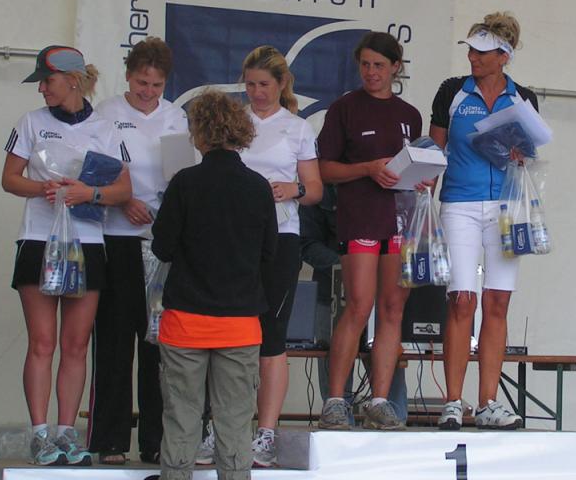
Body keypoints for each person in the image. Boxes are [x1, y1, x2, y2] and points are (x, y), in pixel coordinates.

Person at [1, 46, 131, 465]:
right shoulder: (31, 122)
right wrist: (44, 188)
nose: (42, 89)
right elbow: (10, 178)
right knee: (43, 341)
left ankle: (66, 432)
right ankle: (40, 432)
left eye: (48, 81)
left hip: (87, 242)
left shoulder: (105, 127)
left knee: (76, 344)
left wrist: (88, 193)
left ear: (73, 80)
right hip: (39, 238)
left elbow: (123, 190)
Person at [152, 90, 277, 480]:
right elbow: (269, 253)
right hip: (240, 324)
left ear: (198, 133)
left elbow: (161, 247)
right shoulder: (258, 186)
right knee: (236, 422)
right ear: (240, 130)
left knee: (181, 418)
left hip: (185, 322)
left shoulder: (184, 183)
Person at [429, 12, 538, 430]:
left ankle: (488, 402)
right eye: (471, 50)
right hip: (459, 202)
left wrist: (522, 155)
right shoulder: (452, 91)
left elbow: (530, 152)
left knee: (498, 301)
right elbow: (434, 148)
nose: (473, 57)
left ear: (503, 56)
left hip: (506, 207)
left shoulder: (522, 97)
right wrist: (420, 180)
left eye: (482, 52)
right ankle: (453, 401)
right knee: (462, 299)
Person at [316, 31, 423, 431]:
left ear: (396, 67)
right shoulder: (344, 108)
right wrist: (367, 169)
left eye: (379, 65)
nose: (372, 72)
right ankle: (335, 401)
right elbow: (325, 170)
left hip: (400, 220)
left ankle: (379, 400)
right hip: (360, 217)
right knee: (359, 305)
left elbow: (415, 165)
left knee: (393, 309)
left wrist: (423, 176)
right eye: (365, 65)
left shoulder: (410, 114)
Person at [88, 37, 188, 465]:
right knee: (113, 339)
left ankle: (154, 440)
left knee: (157, 342)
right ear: (128, 76)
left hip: (159, 243)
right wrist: (123, 201)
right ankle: (110, 440)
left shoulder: (176, 117)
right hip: (115, 235)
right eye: (141, 83)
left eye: (156, 85)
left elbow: (182, 178)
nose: (148, 92)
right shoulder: (106, 113)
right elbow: (93, 173)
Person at [233, 45, 322, 466]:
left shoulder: (297, 128)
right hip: (234, 237)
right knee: (230, 331)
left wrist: (294, 189)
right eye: (250, 85)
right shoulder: (234, 121)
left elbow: (315, 189)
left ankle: (265, 433)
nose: (257, 92)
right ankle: (226, 426)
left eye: (264, 85)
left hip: (281, 235)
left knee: (271, 331)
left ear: (282, 83)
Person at [299, 184, 409, 425]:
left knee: (392, 379)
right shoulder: (325, 183)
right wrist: (351, 267)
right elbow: (305, 242)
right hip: (331, 292)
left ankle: (387, 411)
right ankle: (336, 411)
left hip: (384, 293)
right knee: (334, 365)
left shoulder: (396, 188)